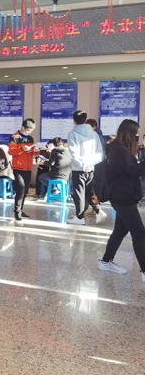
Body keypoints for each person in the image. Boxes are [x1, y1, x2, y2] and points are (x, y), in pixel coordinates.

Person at [98, 120, 145, 281]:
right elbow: (134, 171)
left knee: (120, 231)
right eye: (136, 133)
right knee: (139, 233)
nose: (137, 136)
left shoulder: (120, 149)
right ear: (129, 133)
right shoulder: (118, 151)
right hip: (122, 197)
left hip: (123, 195)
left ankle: (106, 261)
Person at [67, 110, 106, 225]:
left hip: (79, 169)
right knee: (89, 191)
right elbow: (99, 152)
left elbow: (74, 153)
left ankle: (80, 217)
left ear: (74, 121)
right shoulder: (94, 134)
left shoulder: (72, 134)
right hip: (91, 169)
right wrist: (91, 165)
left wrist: (84, 165)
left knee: (79, 193)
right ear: (85, 120)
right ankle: (98, 210)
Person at [8, 119, 41, 221]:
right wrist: (22, 149)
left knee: (25, 190)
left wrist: (36, 151)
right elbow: (11, 151)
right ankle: (17, 212)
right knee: (20, 190)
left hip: (28, 167)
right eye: (28, 130)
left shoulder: (30, 138)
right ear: (23, 128)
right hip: (18, 167)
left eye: (31, 130)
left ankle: (21, 210)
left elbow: (33, 153)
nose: (29, 132)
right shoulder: (15, 137)